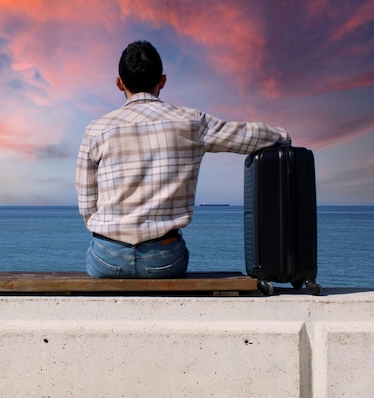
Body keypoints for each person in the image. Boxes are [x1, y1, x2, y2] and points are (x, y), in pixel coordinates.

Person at [76, 40, 291, 279]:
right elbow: (245, 136)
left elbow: (87, 206)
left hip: (107, 257)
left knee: (101, 254)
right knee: (173, 253)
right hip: (164, 259)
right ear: (162, 81)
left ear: (119, 83)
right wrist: (282, 136)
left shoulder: (96, 130)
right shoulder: (190, 122)